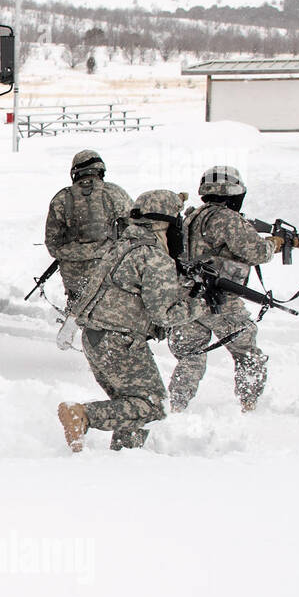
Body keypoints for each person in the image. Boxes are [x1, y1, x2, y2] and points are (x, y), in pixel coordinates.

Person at [57, 190, 203, 452]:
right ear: (164, 224)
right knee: (151, 405)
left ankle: (124, 458)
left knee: (130, 406)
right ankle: (82, 415)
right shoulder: (155, 257)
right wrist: (198, 307)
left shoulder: (119, 248)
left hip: (95, 338)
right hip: (119, 340)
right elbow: (164, 314)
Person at [166, 166, 288, 414]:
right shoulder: (227, 218)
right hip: (220, 299)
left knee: (191, 355)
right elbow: (257, 252)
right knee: (247, 352)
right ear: (233, 192)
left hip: (188, 297)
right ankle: (249, 404)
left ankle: (176, 406)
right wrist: (275, 243)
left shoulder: (191, 216)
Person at [44, 149, 132, 304]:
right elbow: (133, 230)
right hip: (109, 268)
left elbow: (52, 243)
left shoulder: (61, 198)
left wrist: (73, 253)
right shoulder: (114, 193)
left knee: (77, 308)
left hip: (74, 274)